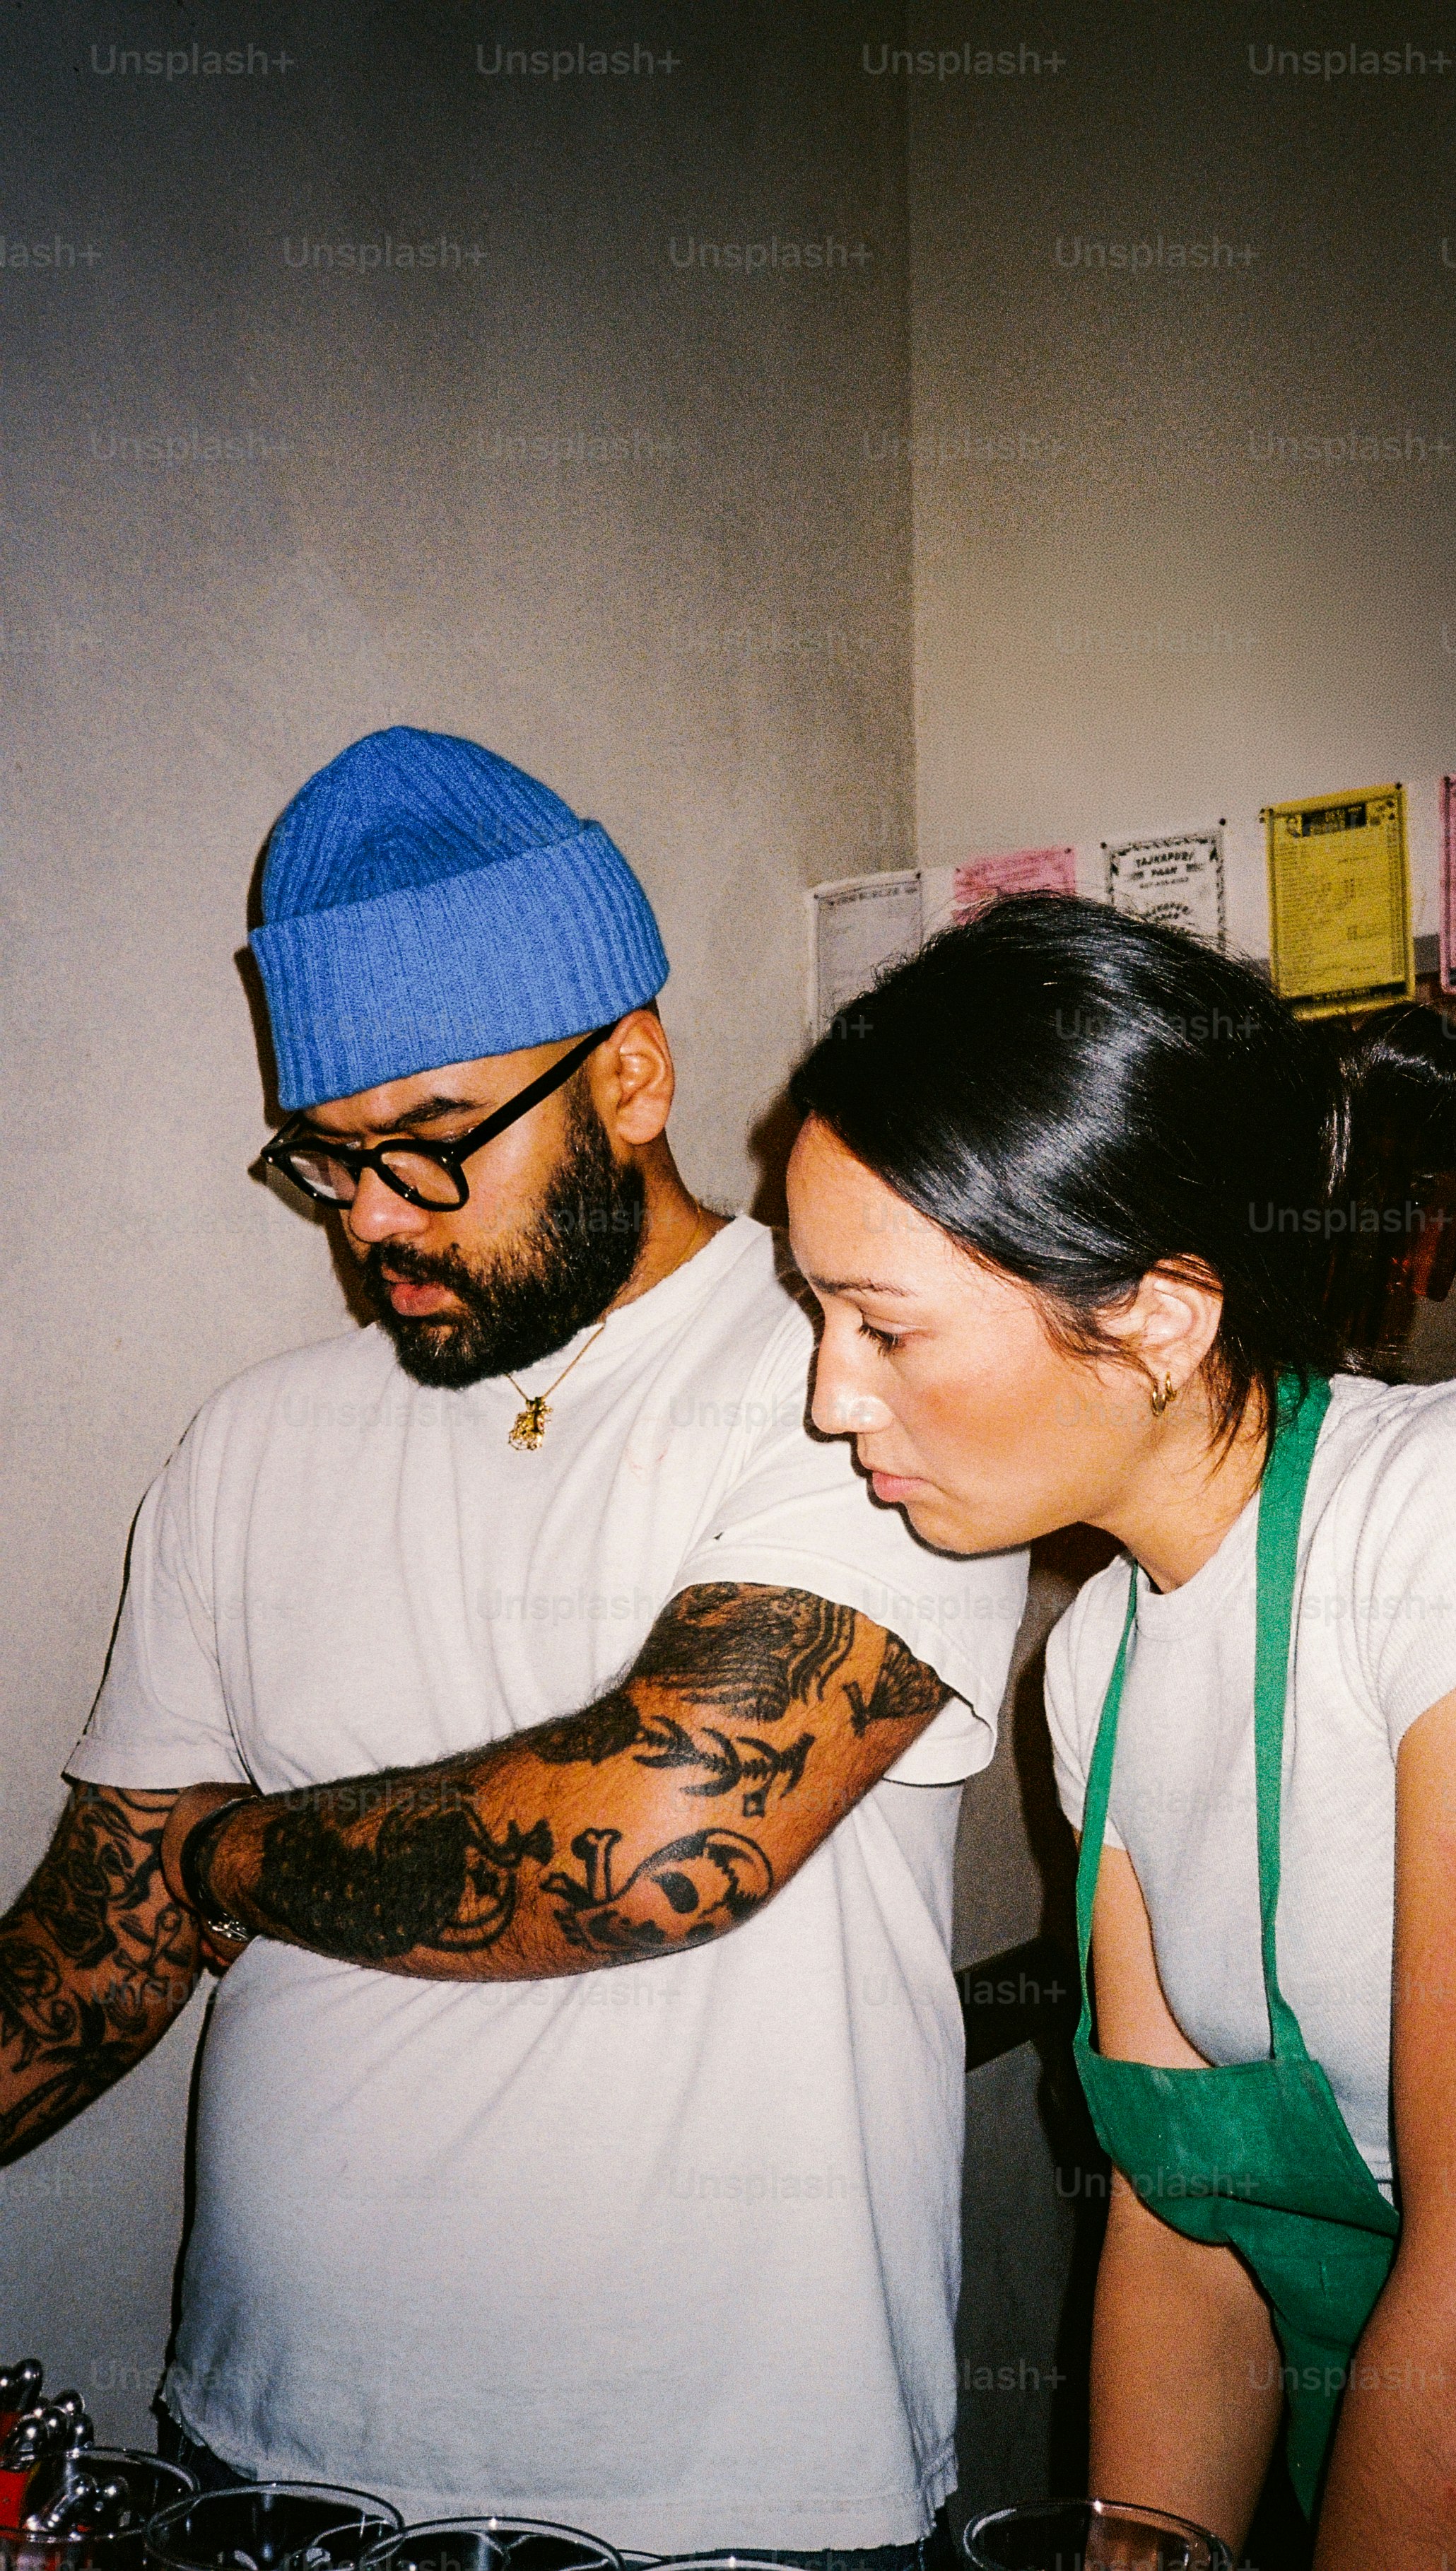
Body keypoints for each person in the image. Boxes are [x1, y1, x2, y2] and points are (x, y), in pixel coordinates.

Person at [0, 727, 1027, 2560]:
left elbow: (641, 1843)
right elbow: (98, 1938)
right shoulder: (252, 1437)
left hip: (723, 2500)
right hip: (258, 2456)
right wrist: (163, 1880)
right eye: (326, 1164)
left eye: (424, 1148)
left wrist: (235, 1847)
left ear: (629, 1076)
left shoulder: (858, 1379)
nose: (374, 1221)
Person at [782, 894, 1456, 2570]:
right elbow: (1178, 2214)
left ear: (1153, 1314)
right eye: (819, 1320)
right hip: (1370, 2445)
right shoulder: (1102, 1662)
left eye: (884, 1326)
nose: (830, 1396)